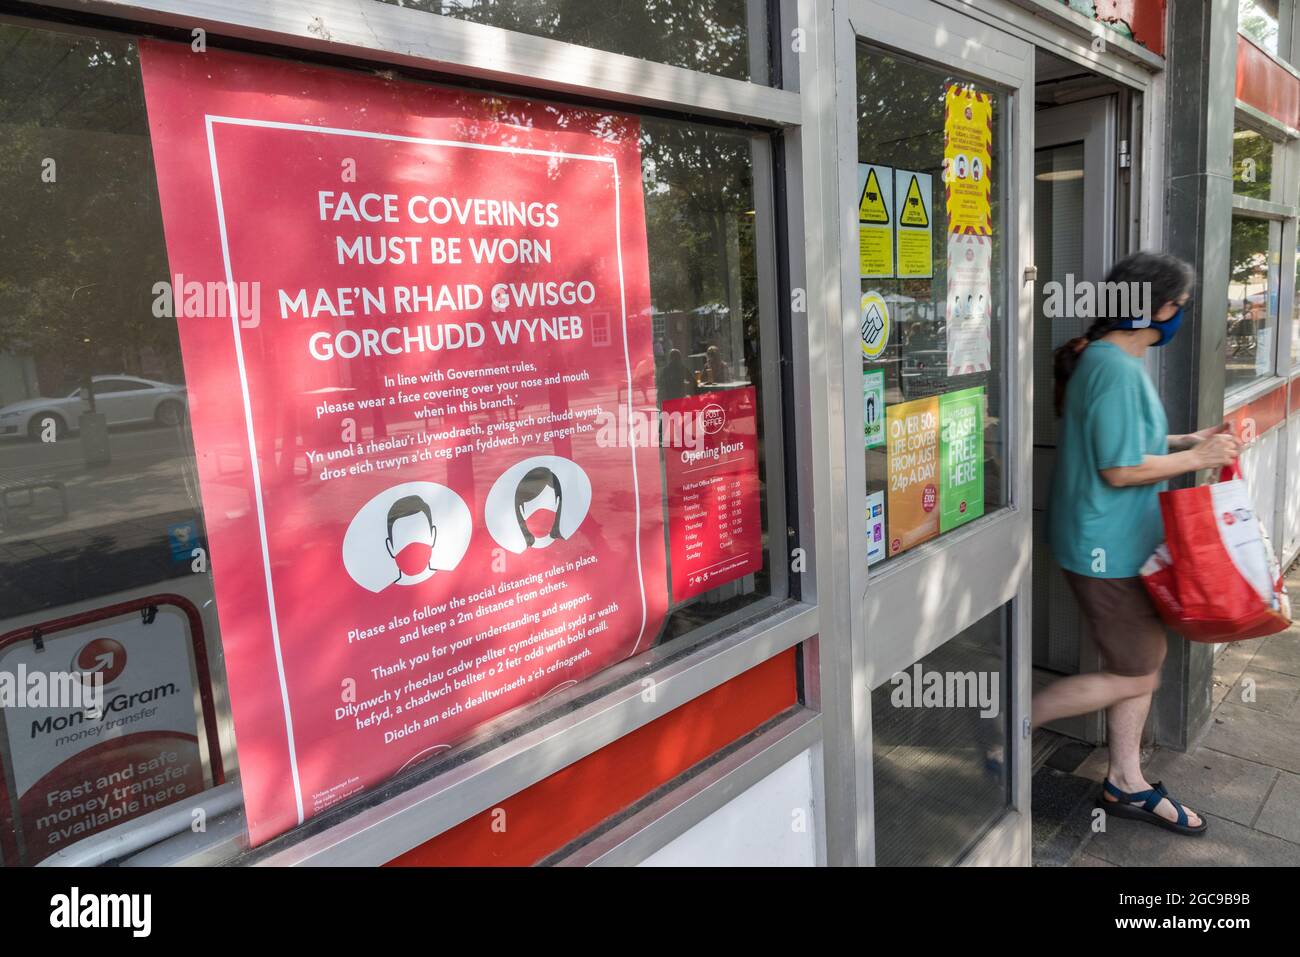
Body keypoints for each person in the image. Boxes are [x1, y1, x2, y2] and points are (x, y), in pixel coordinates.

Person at [1034, 250, 1243, 837]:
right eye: (1180, 304)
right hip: (1106, 547)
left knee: (1139, 665)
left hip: (1111, 541)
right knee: (1139, 672)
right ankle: (1016, 722)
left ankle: (1125, 779)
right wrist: (1198, 457)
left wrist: (1186, 438)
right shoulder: (1116, 367)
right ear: (1158, 309)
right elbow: (1119, 468)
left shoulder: (1101, 356)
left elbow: (1125, 435)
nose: (1181, 314)